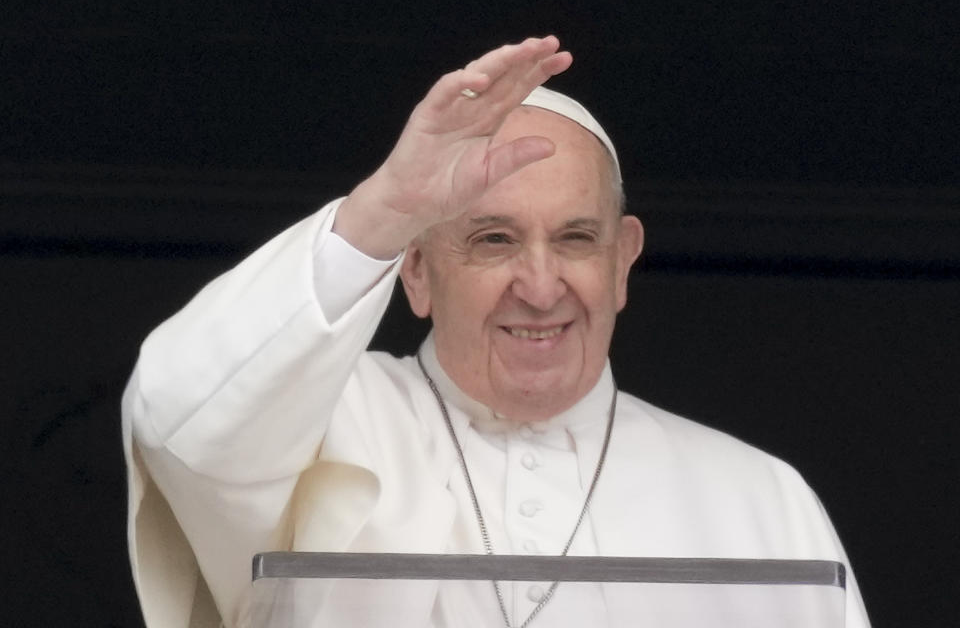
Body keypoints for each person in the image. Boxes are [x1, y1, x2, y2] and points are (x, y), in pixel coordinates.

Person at [122, 37, 871, 627]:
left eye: (577, 238)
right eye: (493, 241)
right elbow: (177, 415)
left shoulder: (759, 497)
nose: (541, 288)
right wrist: (384, 209)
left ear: (623, 262)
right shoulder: (323, 424)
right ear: (415, 269)